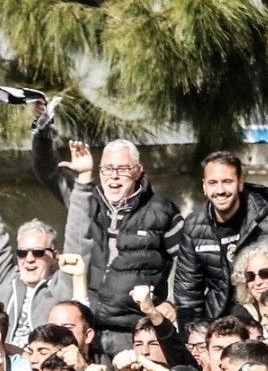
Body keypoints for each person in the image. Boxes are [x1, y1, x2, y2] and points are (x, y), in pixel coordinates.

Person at [35, 134, 182, 355]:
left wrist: (172, 302)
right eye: (107, 169)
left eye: (122, 169)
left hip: (133, 332)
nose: (114, 177)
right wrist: (42, 127)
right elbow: (45, 169)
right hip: (86, 327)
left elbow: (187, 263)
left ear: (138, 170)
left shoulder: (162, 211)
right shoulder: (85, 200)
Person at [0, 130, 86, 347]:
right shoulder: (5, 280)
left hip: (46, 367)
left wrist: (83, 182)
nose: (29, 259)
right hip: (5, 365)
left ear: (54, 256)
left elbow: (78, 234)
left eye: (38, 253)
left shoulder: (62, 285)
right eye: (22, 252)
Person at [174, 151, 268, 326]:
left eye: (227, 182)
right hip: (216, 321)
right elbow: (188, 292)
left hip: (263, 319)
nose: (220, 190)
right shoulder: (193, 225)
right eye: (213, 183)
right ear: (204, 187)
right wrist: (192, 337)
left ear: (240, 183)